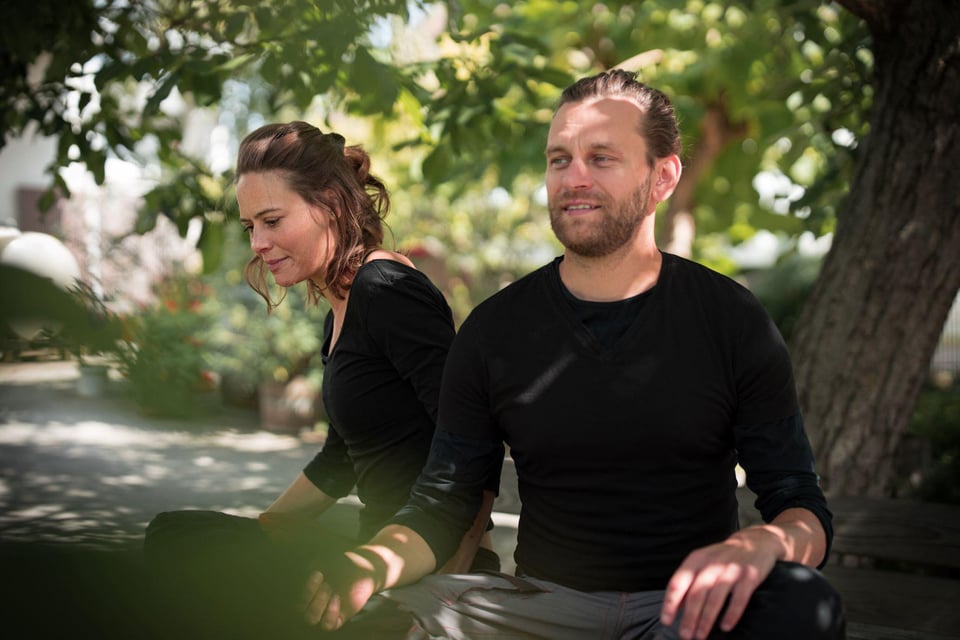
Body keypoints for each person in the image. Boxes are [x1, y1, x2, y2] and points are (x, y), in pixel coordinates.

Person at [299, 70, 846, 640]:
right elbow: (443, 504)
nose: (573, 177)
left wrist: (766, 542)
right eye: (559, 159)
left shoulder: (730, 319)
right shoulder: (494, 331)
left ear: (663, 177)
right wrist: (365, 567)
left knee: (806, 604)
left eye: (601, 158)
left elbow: (798, 502)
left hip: (688, 613)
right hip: (537, 611)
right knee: (368, 615)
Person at [143, 121, 498, 637]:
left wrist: (451, 576)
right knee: (180, 535)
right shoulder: (340, 310)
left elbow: (472, 436)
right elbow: (342, 455)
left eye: (272, 220)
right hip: (371, 544)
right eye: (250, 227)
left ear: (330, 204)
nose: (258, 243)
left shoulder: (387, 289)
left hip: (417, 559)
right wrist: (268, 528)